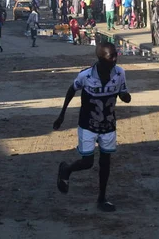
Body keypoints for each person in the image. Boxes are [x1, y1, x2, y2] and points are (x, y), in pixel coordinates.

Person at [53, 42, 131, 212]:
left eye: (116, 54)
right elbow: (71, 90)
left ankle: (102, 198)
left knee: (105, 162)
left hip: (109, 125)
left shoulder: (120, 73)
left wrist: (125, 96)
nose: (115, 58)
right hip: (87, 125)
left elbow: (124, 92)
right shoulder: (86, 76)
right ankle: (66, 169)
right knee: (87, 162)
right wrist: (62, 114)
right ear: (101, 58)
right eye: (111, 56)